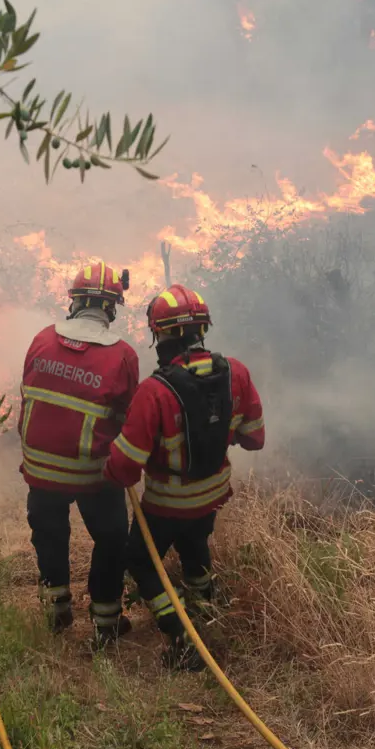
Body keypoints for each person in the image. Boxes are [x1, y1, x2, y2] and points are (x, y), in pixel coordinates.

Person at [103, 284, 265, 671]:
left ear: (160, 335)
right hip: (211, 496)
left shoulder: (155, 392)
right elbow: (254, 438)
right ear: (202, 331)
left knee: (141, 562)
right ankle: (208, 618)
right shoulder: (236, 374)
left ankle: (179, 635)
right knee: (195, 550)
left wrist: (110, 459)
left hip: (167, 504)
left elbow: (125, 468)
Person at [18, 261, 140, 649]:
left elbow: (27, 393)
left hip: (39, 469)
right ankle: (106, 624)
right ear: (111, 308)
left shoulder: (40, 339)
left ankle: (56, 613)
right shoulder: (122, 355)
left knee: (50, 535)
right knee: (111, 539)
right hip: (93, 474)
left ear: (73, 302)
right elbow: (128, 417)